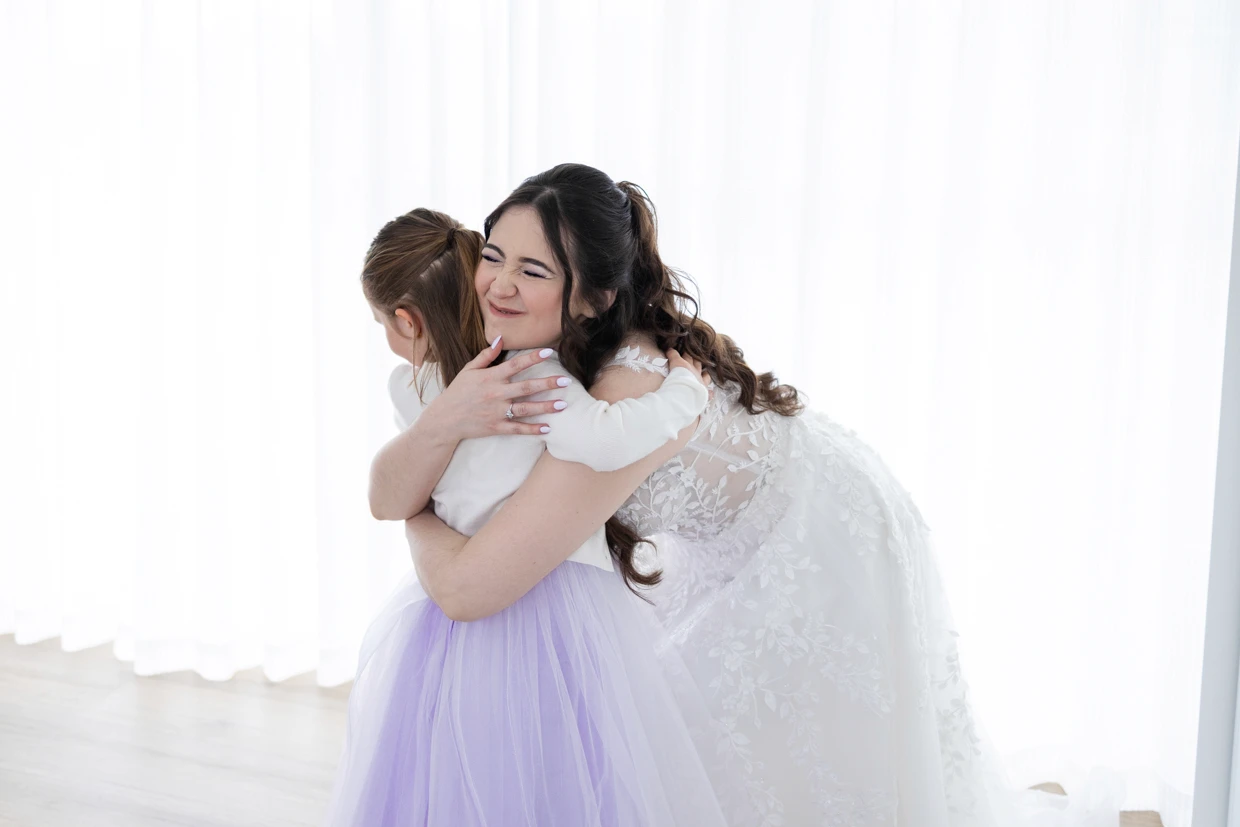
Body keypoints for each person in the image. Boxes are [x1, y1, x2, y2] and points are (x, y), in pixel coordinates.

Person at [397, 165, 1114, 825]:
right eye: (492, 254)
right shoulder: (554, 351)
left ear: (595, 295)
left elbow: (469, 587)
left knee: (786, 772)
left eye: (534, 269)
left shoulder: (621, 398)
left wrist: (414, 504)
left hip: (821, 537)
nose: (496, 285)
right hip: (748, 530)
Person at [323, 207, 728, 827]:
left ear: (405, 321)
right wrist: (685, 396)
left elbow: (394, 497)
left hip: (454, 608)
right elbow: (605, 439)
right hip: (557, 598)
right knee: (562, 770)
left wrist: (420, 511)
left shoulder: (410, 389)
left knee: (458, 766)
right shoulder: (533, 372)